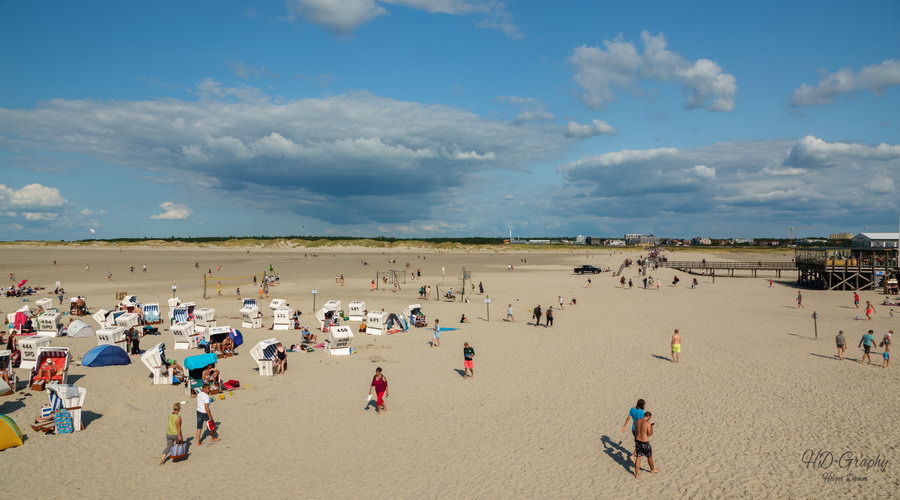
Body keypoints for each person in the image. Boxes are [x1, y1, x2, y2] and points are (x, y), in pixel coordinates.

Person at [633, 412, 658, 478]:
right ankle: (652, 469)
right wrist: (651, 427)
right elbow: (649, 434)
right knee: (649, 457)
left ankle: (637, 474)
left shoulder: (638, 421)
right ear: (649, 417)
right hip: (645, 442)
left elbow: (636, 430)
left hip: (638, 441)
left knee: (638, 458)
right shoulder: (648, 423)